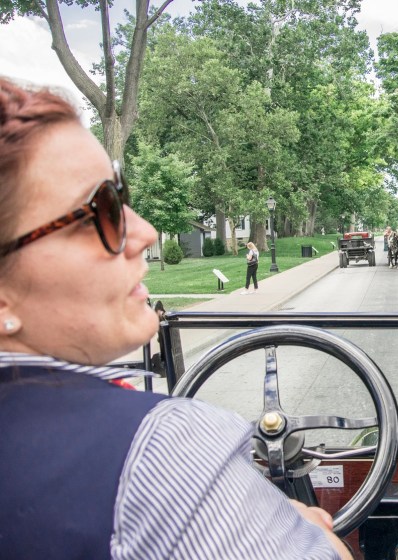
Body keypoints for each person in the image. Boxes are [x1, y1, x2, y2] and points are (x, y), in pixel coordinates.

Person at [0, 79, 351, 559]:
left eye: (119, 193)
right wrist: (304, 529)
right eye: (99, 212)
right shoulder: (164, 449)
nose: (142, 231)